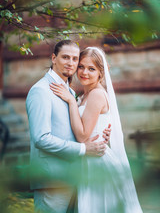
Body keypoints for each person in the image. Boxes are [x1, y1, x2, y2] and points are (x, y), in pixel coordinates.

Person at [50, 46, 143, 213]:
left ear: (101, 72)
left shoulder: (97, 95)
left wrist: (71, 102)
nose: (84, 72)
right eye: (81, 66)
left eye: (91, 69)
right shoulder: (86, 94)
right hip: (86, 159)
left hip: (97, 162)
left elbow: (83, 136)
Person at [26, 40, 111, 213]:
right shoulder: (40, 91)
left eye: (74, 59)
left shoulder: (70, 92)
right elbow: (41, 139)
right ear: (53, 58)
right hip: (52, 181)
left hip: (76, 177)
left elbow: (78, 127)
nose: (70, 63)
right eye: (65, 57)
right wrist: (82, 149)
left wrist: (101, 133)